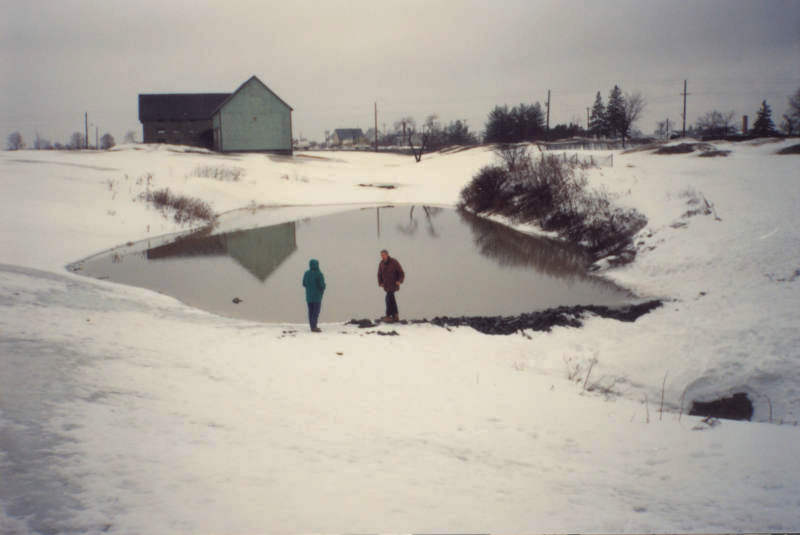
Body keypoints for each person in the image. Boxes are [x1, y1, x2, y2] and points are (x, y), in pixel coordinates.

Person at [377, 249, 404, 322]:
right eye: (381, 255)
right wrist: (380, 282)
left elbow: (401, 272)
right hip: (386, 285)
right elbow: (379, 274)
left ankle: (388, 315)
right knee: (391, 299)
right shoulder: (381, 263)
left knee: (388, 298)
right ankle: (395, 315)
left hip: (394, 284)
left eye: (383, 255)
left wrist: (399, 281)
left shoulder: (394, 262)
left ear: (387, 255)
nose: (382, 257)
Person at [302, 258, 326, 332]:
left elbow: (304, 283)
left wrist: (310, 288)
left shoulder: (306, 273)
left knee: (311, 312)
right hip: (317, 297)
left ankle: (312, 326)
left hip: (309, 296)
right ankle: (314, 327)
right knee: (316, 312)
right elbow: (322, 286)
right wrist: (323, 286)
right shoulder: (319, 274)